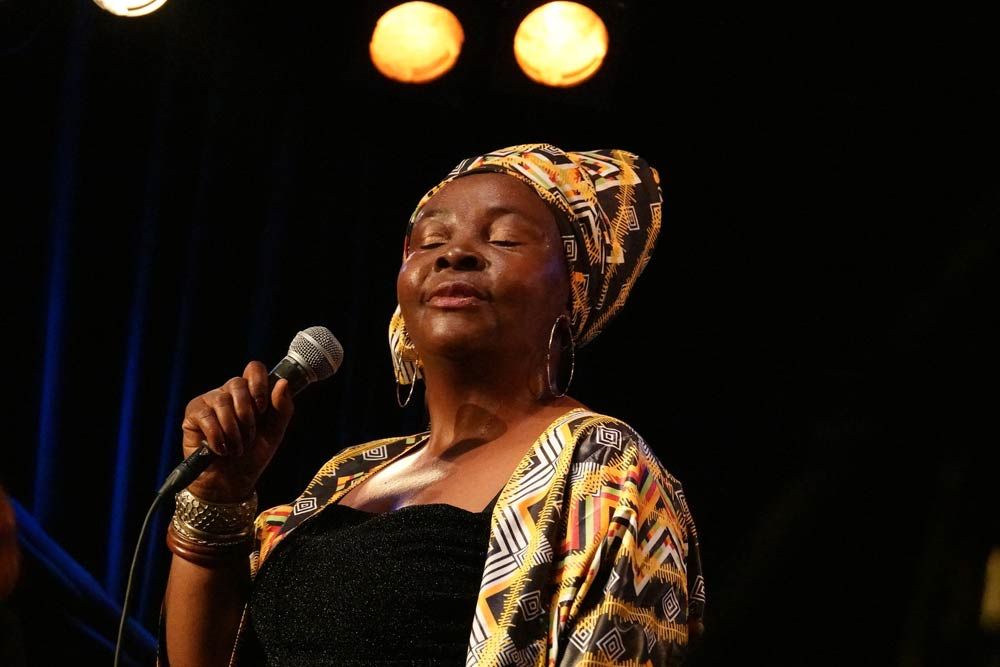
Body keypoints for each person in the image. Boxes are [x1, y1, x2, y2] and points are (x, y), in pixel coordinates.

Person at [159, 143, 707, 666]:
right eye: (430, 240)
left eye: (506, 239)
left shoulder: (601, 464)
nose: (454, 253)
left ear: (572, 289)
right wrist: (219, 497)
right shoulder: (346, 475)